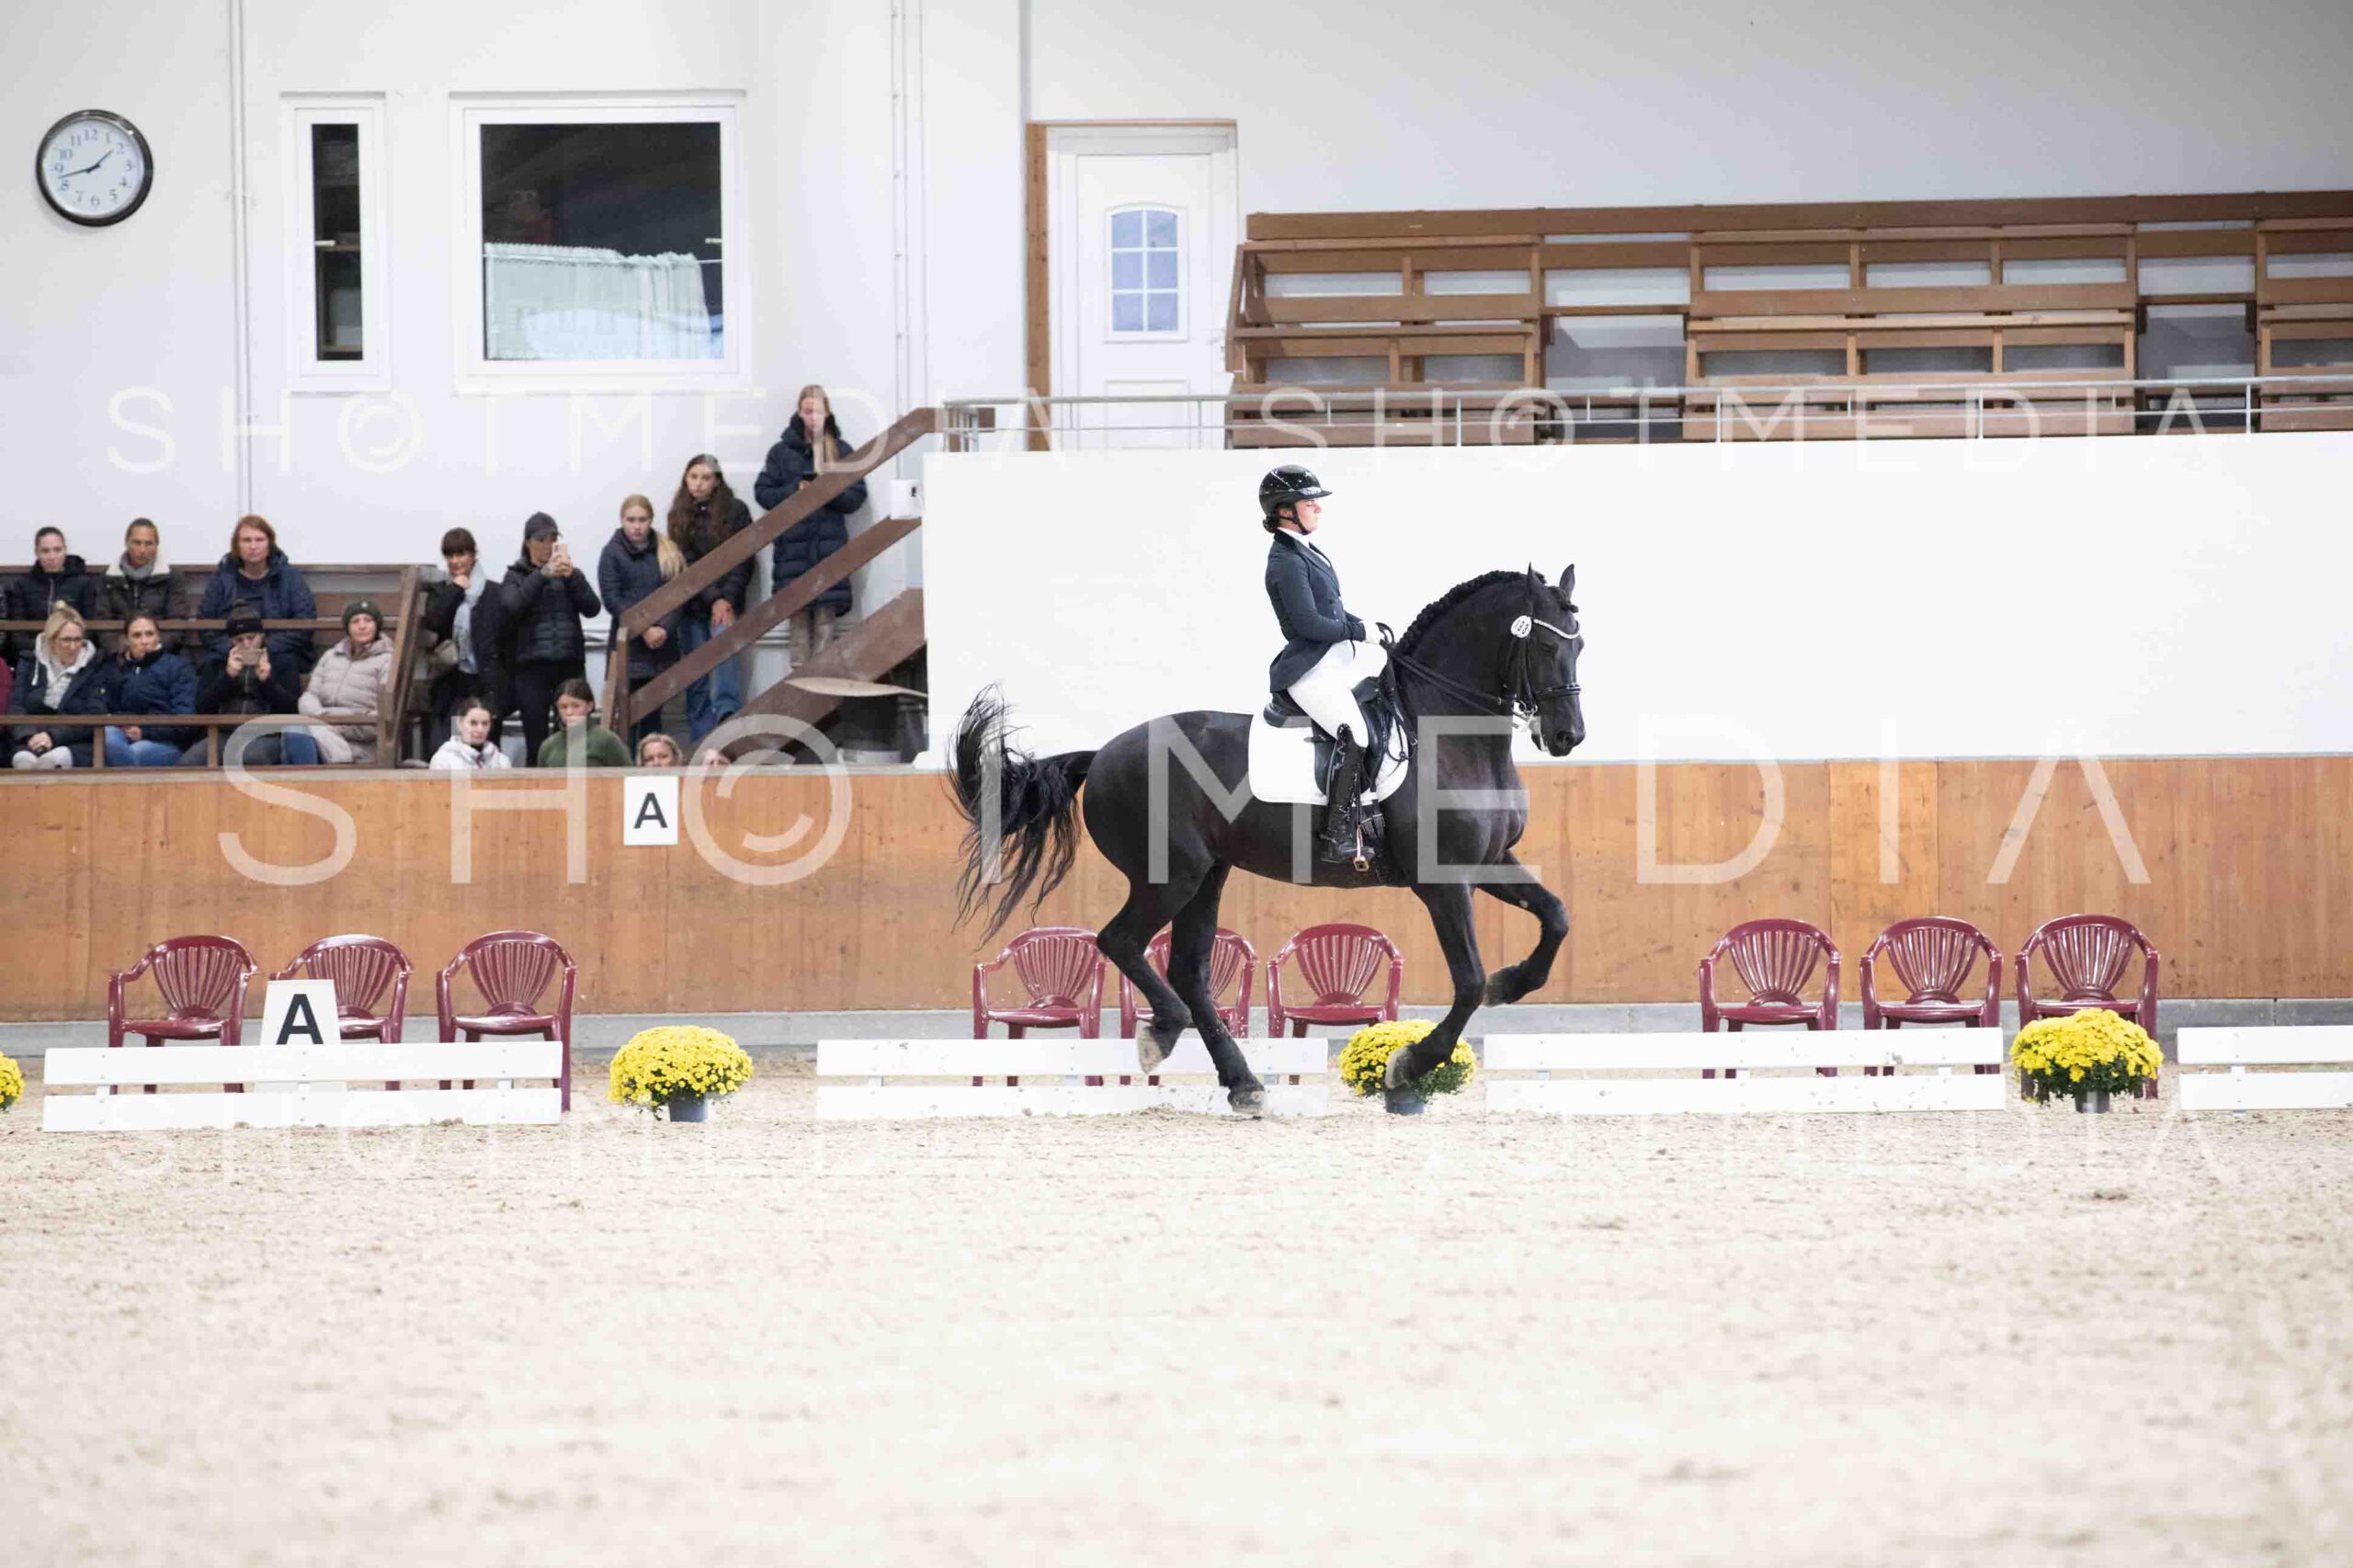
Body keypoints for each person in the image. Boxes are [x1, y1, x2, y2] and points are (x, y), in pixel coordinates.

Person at [1261, 464, 1385, 865]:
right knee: (1356, 736)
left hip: (1332, 664)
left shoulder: (1307, 551)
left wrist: (1369, 627)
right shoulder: (1286, 560)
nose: (1318, 507)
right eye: (1308, 502)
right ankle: (1338, 834)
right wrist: (1359, 631)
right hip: (1309, 670)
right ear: (1284, 510)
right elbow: (1309, 624)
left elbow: (1332, 610)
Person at [756, 385, 869, 667]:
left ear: (827, 413)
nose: (813, 417)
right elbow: (763, 493)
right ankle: (798, 691)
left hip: (829, 551)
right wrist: (795, 491)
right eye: (808, 411)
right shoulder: (780, 452)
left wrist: (827, 491)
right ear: (799, 413)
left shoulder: (841, 451)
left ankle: (823, 691)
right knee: (797, 632)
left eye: (818, 411)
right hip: (793, 551)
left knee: (825, 630)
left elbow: (856, 497)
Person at [496, 513, 602, 764]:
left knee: (575, 738)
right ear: (528, 543)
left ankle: (575, 784)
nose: (548, 544)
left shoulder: (570, 575)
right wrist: (542, 574)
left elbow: (593, 608)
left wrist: (573, 577)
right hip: (531, 668)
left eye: (553, 539)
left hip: (569, 664)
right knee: (537, 740)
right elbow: (512, 606)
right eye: (541, 539)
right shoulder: (515, 575)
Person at [666, 454, 753, 747]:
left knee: (725, 660)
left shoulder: (736, 511)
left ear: (716, 481)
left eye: (706, 477)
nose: (699, 484)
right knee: (697, 675)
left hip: (727, 601)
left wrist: (726, 599)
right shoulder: (678, 514)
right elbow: (686, 563)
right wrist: (714, 597)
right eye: (694, 477)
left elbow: (744, 558)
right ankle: (701, 741)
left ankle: (728, 725)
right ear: (686, 479)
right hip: (694, 606)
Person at [178, 602, 319, 767]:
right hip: (223, 734)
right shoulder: (217, 662)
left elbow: (292, 709)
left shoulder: (282, 661)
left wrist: (266, 682)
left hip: (266, 735)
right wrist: (227, 677)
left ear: (261, 636)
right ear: (231, 641)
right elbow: (202, 707)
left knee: (251, 759)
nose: (246, 644)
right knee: (188, 763)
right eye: (239, 640)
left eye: (251, 638)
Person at [597, 494, 683, 745]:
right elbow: (613, 600)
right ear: (622, 520)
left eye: (642, 520)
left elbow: (678, 596)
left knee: (654, 718)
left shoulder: (668, 551)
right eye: (631, 520)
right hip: (629, 646)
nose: (637, 526)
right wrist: (644, 629)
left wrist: (663, 629)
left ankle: (652, 766)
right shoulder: (611, 553)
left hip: (661, 646)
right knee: (626, 719)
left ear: (651, 520)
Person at [196, 515, 318, 675]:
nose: (253, 546)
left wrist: (265, 647)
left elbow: (305, 622)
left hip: (279, 652)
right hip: (230, 653)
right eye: (246, 540)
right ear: (237, 545)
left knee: (286, 664)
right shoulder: (222, 578)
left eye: (259, 540)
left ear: (270, 543)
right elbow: (205, 624)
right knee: (212, 666)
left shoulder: (290, 577)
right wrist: (234, 648)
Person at [421, 527, 503, 752]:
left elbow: (503, 637)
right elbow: (435, 621)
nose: (455, 561)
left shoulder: (493, 592)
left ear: (473, 555)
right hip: (452, 678)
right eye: (449, 555)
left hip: (485, 680)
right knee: (450, 747)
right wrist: (456, 589)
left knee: (485, 748)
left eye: (461, 554)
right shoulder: (441, 591)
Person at [7, 605, 113, 769]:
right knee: (23, 761)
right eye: (66, 640)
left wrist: (53, 736)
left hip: (74, 741)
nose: (73, 646)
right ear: (51, 640)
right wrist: (29, 735)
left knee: (49, 763)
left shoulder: (95, 666)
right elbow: (16, 706)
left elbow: (95, 712)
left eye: (77, 640)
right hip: (31, 738)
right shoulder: (29, 662)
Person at [297, 598, 394, 764]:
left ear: (377, 625)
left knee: (302, 734)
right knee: (294, 733)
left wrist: (339, 723)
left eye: (368, 620)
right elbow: (309, 696)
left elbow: (382, 713)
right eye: (355, 621)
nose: (362, 626)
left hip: (361, 742)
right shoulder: (331, 656)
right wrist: (323, 717)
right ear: (347, 628)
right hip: (322, 726)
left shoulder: (388, 660)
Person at [104, 613, 197, 767]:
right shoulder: (115, 667)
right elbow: (107, 705)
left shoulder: (178, 667)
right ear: (126, 640)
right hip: (123, 735)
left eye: (149, 634)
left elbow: (184, 720)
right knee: (107, 735)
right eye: (137, 635)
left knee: (134, 752)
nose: (144, 641)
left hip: (166, 743)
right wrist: (122, 724)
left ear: (158, 636)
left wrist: (144, 732)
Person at [5, 528, 101, 664]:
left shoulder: (83, 583)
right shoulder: (22, 585)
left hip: (75, 654)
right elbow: (17, 635)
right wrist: (48, 646)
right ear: (36, 552)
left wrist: (68, 645)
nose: (52, 557)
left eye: (57, 550)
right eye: (45, 551)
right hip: (34, 656)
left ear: (65, 550)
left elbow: (90, 629)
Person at [100, 519, 175, 652]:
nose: (142, 550)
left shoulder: (171, 577)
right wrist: (122, 650)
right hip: (119, 652)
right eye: (137, 543)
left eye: (149, 543)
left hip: (159, 651)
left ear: (157, 545)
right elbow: (102, 622)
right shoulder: (109, 577)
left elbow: (177, 622)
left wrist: (154, 649)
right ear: (127, 543)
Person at [536, 677, 631, 768]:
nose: (569, 712)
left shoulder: (607, 740)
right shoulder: (549, 746)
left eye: (576, 706)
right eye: (563, 707)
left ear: (589, 706)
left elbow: (629, 774)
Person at [430, 697, 510, 771]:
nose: (480, 729)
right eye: (473, 723)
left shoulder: (501, 761)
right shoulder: (443, 760)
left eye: (485, 723)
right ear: (459, 723)